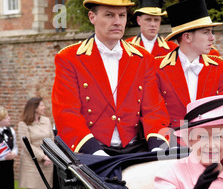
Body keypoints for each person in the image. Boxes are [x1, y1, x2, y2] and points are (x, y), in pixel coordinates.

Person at [52, 0, 170, 156]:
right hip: (89, 149)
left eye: (122, 15)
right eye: (109, 15)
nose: (117, 22)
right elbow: (66, 113)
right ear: (92, 17)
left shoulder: (143, 58)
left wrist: (158, 147)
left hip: (135, 148)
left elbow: (154, 110)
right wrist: (94, 151)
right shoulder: (69, 58)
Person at [155, 0, 223, 133]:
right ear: (187, 37)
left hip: (210, 141)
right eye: (206, 32)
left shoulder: (218, 66)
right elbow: (154, 114)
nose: (212, 38)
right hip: (172, 144)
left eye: (212, 32)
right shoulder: (157, 68)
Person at [17, 97, 54, 189]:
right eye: (41, 105)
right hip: (32, 163)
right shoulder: (23, 124)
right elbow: (26, 145)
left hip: (47, 162)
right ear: (34, 108)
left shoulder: (46, 121)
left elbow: (52, 140)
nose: (44, 108)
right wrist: (43, 156)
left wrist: (50, 156)